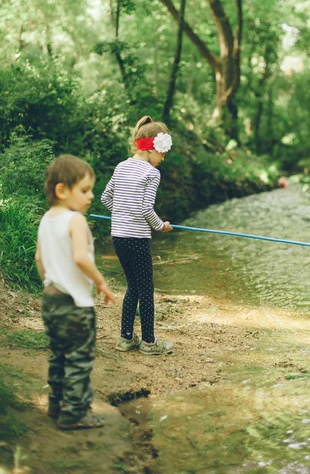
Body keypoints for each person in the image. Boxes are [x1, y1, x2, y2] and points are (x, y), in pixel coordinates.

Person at [35, 154, 115, 430]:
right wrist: (101, 281)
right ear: (61, 190)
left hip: (52, 299)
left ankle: (56, 405)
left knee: (59, 354)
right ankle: (75, 413)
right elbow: (81, 258)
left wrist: (51, 283)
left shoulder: (46, 219)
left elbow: (39, 259)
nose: (91, 196)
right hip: (76, 304)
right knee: (79, 359)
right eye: (84, 190)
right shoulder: (75, 220)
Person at [101, 115, 174, 355]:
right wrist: (160, 226)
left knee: (133, 286)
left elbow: (106, 198)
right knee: (146, 289)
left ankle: (126, 339)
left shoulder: (121, 166)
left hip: (118, 237)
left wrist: (122, 215)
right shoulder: (152, 174)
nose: (162, 159)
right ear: (153, 147)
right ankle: (150, 343)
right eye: (163, 153)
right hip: (137, 239)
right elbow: (145, 209)